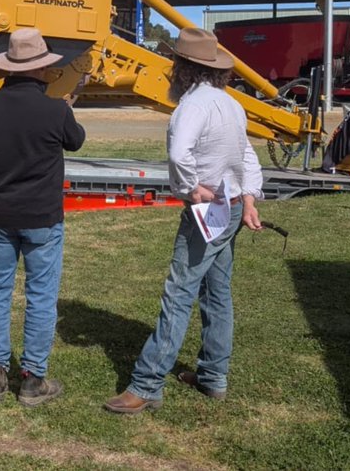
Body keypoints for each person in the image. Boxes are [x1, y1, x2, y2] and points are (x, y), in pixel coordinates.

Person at [105, 27, 263, 414]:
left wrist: (191, 190)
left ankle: (146, 384)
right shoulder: (231, 104)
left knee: (179, 294)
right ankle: (213, 377)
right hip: (230, 206)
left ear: (184, 68)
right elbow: (246, 157)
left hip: (208, 208)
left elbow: (179, 154)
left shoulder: (191, 107)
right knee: (217, 292)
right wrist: (249, 198)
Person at [0, 28, 86, 406]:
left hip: (0, 215)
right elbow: (76, 140)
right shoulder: (55, 110)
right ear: (42, 69)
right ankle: (32, 377)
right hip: (43, 217)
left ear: (9, 68)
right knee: (41, 296)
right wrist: (67, 107)